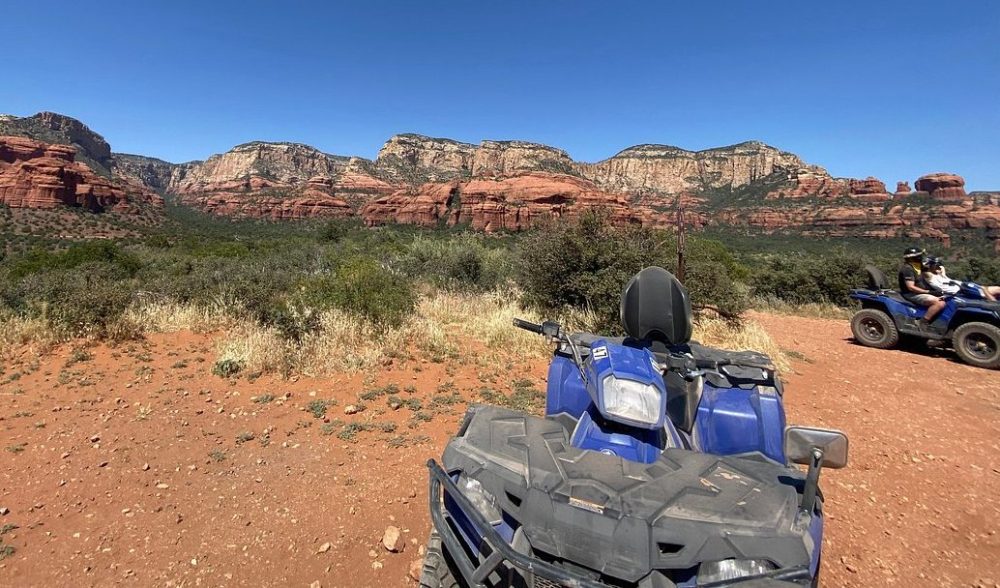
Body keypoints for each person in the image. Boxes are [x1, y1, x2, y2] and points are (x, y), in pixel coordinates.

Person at [898, 247, 945, 327]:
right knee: (939, 303)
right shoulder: (907, 269)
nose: (921, 258)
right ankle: (922, 321)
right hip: (911, 293)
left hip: (921, 291)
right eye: (919, 256)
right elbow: (911, 287)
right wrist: (929, 292)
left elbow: (931, 269)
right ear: (914, 258)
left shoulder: (917, 266)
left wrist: (940, 269)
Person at [925, 257, 1000, 301]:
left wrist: (940, 269)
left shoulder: (939, 274)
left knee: (997, 289)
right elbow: (923, 269)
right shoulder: (929, 276)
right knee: (986, 292)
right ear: (931, 266)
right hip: (962, 288)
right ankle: (995, 305)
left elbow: (942, 270)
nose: (938, 267)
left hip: (962, 286)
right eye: (935, 265)